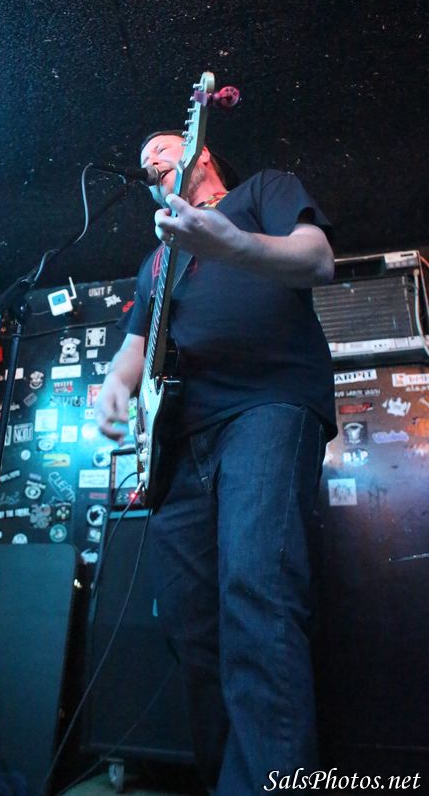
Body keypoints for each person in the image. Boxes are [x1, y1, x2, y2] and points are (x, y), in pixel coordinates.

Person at [95, 129, 337, 795]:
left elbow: (318, 259)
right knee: (190, 626)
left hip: (268, 405)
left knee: (257, 593)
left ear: (199, 149)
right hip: (180, 444)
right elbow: (135, 348)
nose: (150, 162)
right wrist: (115, 386)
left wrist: (230, 243)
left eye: (162, 149)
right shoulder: (155, 260)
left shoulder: (262, 191)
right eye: (144, 162)